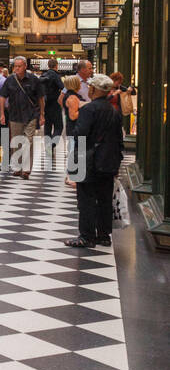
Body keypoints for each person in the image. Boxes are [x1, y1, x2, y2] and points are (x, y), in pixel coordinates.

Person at [65, 74, 124, 249]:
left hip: (89, 160)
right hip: (109, 160)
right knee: (104, 198)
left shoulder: (89, 110)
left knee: (86, 198)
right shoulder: (114, 111)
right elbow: (119, 139)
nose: (88, 89)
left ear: (95, 89)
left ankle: (87, 236)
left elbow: (80, 133)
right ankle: (104, 235)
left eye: (91, 87)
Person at [0, 56, 44, 178]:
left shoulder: (34, 80)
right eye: (15, 66)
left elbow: (40, 98)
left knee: (28, 141)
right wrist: (2, 113)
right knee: (16, 141)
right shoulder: (9, 80)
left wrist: (42, 115)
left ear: (25, 66)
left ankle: (26, 169)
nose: (17, 69)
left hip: (31, 114)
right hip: (14, 115)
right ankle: (17, 167)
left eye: (19, 66)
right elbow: (3, 97)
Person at [40, 57, 64, 162]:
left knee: (47, 126)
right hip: (55, 103)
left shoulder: (43, 75)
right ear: (56, 66)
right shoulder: (55, 75)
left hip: (45, 104)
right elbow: (62, 87)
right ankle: (53, 144)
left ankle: (48, 146)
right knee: (59, 126)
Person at [61, 74, 82, 181]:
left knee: (72, 150)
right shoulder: (73, 97)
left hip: (71, 127)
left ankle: (70, 174)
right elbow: (73, 115)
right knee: (74, 151)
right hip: (74, 127)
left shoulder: (68, 95)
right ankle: (71, 176)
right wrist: (84, 109)